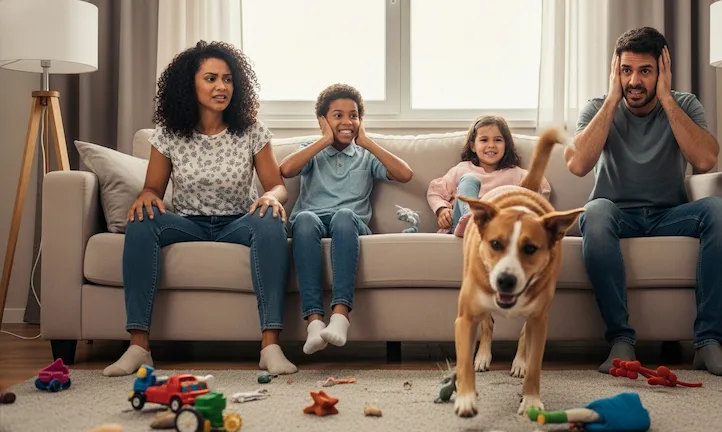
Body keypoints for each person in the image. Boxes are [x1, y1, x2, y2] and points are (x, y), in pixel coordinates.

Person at [103, 41, 297, 376]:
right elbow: (153, 188)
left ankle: (270, 346)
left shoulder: (251, 131)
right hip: (187, 224)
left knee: (269, 219)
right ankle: (138, 347)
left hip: (239, 223)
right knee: (141, 221)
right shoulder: (169, 135)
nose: (221, 86)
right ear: (188, 84)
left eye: (227, 79)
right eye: (211, 78)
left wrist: (270, 198)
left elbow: (277, 186)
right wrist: (146, 195)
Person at [564, 27, 722, 376]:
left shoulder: (684, 103)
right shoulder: (598, 107)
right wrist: (613, 100)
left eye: (645, 71)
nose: (634, 80)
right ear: (616, 71)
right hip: (615, 215)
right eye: (626, 70)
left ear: (662, 72)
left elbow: (706, 160)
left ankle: (707, 343)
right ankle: (620, 340)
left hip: (669, 214)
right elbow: (577, 164)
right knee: (595, 211)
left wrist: (667, 100)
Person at [279, 83, 413, 355]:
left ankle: (340, 316)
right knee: (303, 218)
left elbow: (405, 174)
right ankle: (314, 322)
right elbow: (286, 169)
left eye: (353, 115)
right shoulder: (312, 150)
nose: (346, 121)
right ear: (323, 121)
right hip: (311, 222)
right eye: (337, 115)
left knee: (343, 215)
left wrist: (366, 142)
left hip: (350, 225)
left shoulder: (365, 154)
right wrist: (324, 140)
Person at [427, 115, 552, 237]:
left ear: (506, 145)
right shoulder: (462, 169)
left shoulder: (516, 173)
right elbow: (435, 191)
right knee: (469, 179)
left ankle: (479, 224)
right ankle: (471, 219)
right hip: (461, 228)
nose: (491, 145)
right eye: (484, 140)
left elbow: (542, 188)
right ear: (473, 146)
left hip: (499, 230)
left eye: (498, 140)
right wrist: (442, 210)